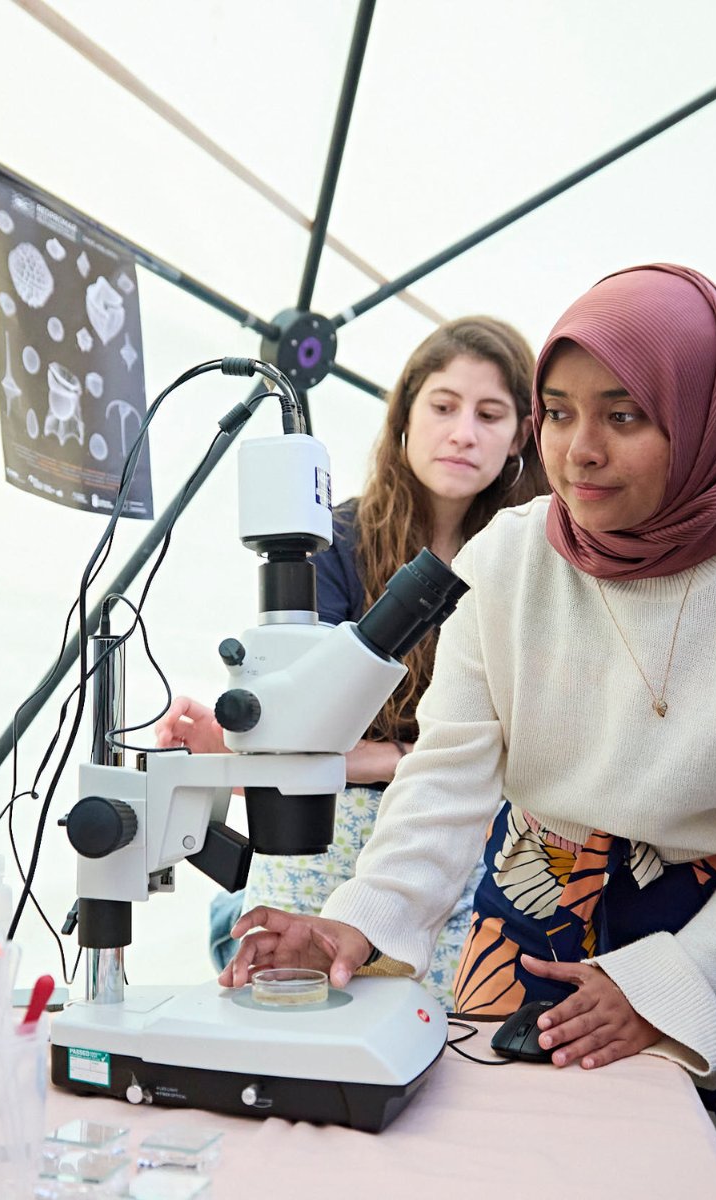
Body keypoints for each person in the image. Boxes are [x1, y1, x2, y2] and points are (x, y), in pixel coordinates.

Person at [218, 264, 716, 1196]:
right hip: (527, 926)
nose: (579, 451)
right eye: (557, 413)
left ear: (705, 413)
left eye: (624, 415)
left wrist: (671, 988)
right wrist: (358, 924)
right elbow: (446, 778)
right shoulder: (512, 556)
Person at [156, 315, 549, 1003]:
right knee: (300, 1004)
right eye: (444, 406)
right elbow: (307, 727)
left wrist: (376, 757)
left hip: (471, 839)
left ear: (521, 435)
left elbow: (528, 741)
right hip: (329, 843)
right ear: (404, 415)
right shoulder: (331, 540)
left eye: (491, 414)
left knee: (458, 1034)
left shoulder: (531, 560)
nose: (464, 432)